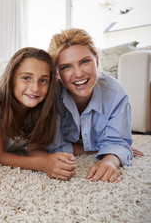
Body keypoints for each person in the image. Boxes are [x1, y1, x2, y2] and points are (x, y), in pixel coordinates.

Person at [46, 28, 140, 183]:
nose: (79, 74)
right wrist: (99, 148)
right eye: (66, 67)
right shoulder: (51, 96)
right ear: (57, 73)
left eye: (85, 61)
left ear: (96, 61)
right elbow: (51, 147)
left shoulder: (116, 93)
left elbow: (119, 143)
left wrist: (110, 159)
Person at [0, 47, 76, 181]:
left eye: (43, 81)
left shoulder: (43, 105)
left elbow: (34, 148)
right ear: (11, 77)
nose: (35, 88)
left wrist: (52, 160)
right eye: (26, 78)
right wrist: (42, 164)